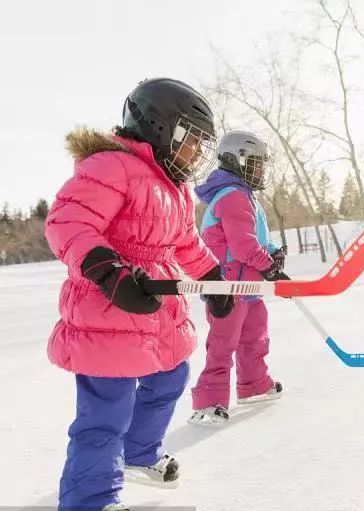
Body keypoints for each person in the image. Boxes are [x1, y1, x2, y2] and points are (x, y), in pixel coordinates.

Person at [44, 77, 235, 511]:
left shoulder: (176, 189)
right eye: (190, 140)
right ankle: (89, 500)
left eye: (202, 145)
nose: (195, 153)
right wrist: (109, 273)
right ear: (159, 126)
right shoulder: (111, 166)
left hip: (158, 308)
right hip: (108, 307)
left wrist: (212, 276)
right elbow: (68, 223)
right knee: (106, 413)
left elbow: (185, 242)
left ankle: (139, 453)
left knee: (170, 378)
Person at [188, 130, 286, 426]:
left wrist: (273, 255)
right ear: (238, 160)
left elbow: (255, 239)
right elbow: (243, 246)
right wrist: (266, 265)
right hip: (228, 287)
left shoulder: (245, 196)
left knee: (255, 337)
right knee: (223, 344)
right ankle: (208, 403)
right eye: (257, 164)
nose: (262, 170)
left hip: (249, 286)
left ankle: (253, 384)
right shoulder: (232, 196)